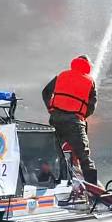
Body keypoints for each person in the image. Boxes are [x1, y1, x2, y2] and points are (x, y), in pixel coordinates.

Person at [42, 55, 98, 185]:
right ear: (88, 66)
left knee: (52, 152)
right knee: (84, 157)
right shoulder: (90, 81)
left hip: (55, 119)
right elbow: (92, 107)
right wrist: (82, 116)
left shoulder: (61, 75)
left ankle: (43, 182)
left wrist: (51, 108)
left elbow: (45, 92)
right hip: (74, 122)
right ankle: (93, 192)